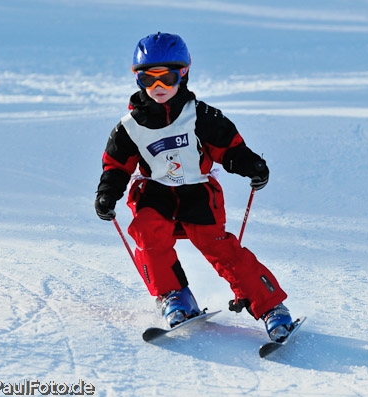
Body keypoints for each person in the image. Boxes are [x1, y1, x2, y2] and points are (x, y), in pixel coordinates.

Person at [95, 32, 293, 341]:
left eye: (167, 77)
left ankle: (272, 308)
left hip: (198, 194)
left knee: (220, 247)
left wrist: (250, 164)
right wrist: (107, 194)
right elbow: (116, 167)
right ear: (137, 79)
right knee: (148, 233)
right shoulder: (129, 128)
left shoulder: (201, 117)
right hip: (155, 193)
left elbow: (229, 148)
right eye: (148, 79)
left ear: (184, 73)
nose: (158, 87)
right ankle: (175, 297)